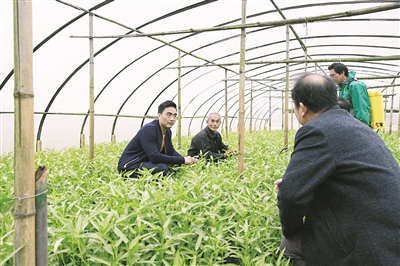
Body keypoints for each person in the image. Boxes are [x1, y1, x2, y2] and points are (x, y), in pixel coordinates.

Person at [274, 73, 400, 266]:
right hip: (389, 232)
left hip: (369, 245)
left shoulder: (316, 130)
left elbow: (291, 196)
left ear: (302, 108)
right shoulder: (357, 126)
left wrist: (293, 230)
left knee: (289, 246)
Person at [117, 100, 196, 177]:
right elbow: (154, 156)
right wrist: (182, 160)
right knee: (162, 168)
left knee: (173, 166)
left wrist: (184, 159)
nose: (172, 119)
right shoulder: (149, 129)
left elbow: (170, 151)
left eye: (175, 115)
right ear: (159, 115)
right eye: (169, 114)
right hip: (129, 166)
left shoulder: (167, 131)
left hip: (145, 162)